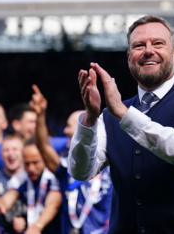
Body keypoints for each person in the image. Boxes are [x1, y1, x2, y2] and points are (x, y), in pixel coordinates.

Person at [69, 15, 174, 233]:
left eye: (158, 43)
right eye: (139, 45)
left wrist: (123, 113)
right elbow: (81, 172)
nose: (148, 50)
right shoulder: (108, 116)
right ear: (129, 57)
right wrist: (90, 119)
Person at [30, 85, 112, 234]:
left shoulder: (112, 168)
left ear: (85, 129)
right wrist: (40, 115)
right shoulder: (67, 169)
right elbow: (43, 147)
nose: (65, 131)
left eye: (69, 126)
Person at [0, 142, 62, 234]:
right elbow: (10, 195)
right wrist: (2, 205)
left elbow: (53, 205)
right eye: (27, 164)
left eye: (35, 162)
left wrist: (37, 226)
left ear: (45, 159)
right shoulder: (21, 177)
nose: (31, 168)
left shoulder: (55, 177)